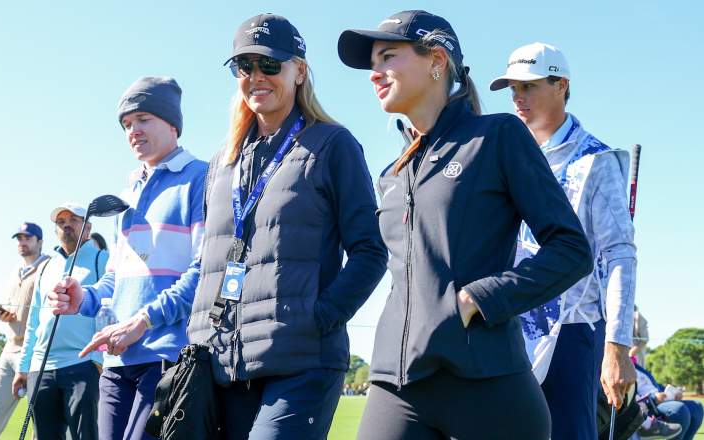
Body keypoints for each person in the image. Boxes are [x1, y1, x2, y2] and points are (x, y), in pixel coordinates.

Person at [338, 10, 593, 439]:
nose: (374, 73)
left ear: (436, 60)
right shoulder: (392, 174)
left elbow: (571, 250)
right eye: (373, 63)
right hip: (395, 383)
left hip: (487, 382)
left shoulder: (498, 137)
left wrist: (480, 296)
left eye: (387, 56)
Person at [183, 13, 387, 439]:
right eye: (245, 66)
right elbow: (208, 263)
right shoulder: (221, 163)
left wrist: (320, 317)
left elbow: (371, 250)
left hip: (302, 360)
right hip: (222, 364)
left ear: (300, 71)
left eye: (270, 65)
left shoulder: (333, 145)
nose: (257, 76)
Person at [490, 42, 638, 439]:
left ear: (561, 85)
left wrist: (617, 347)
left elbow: (619, 254)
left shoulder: (597, 160)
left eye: (530, 86)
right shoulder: (502, 154)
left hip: (573, 330)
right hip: (507, 328)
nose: (518, 98)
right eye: (513, 89)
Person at [48, 76, 207, 440]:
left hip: (168, 353)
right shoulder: (128, 191)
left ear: (172, 123)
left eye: (144, 119)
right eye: (126, 124)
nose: (133, 130)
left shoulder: (201, 178)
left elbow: (202, 273)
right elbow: (115, 282)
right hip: (117, 357)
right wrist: (82, 298)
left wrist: (142, 321)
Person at [13, 203, 107, 440]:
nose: (67, 225)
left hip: (83, 364)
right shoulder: (45, 266)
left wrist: (98, 358)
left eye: (74, 220)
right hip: (41, 368)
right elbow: (34, 319)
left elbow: (109, 310)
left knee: (85, 436)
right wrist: (24, 367)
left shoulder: (102, 259)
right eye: (61, 222)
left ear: (88, 228)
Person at [0, 222, 49, 440]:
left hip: (36, 352)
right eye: (19, 238)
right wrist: (4, 314)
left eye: (28, 238)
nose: (22, 242)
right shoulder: (15, 271)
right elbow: (14, 307)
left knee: (41, 418)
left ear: (40, 242)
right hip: (9, 349)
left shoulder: (49, 267)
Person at [635, 363, 703, 440]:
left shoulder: (637, 367)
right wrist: (653, 398)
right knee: (679, 409)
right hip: (648, 407)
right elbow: (630, 399)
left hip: (662, 401)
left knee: (696, 406)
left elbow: (654, 386)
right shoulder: (623, 369)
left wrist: (673, 392)